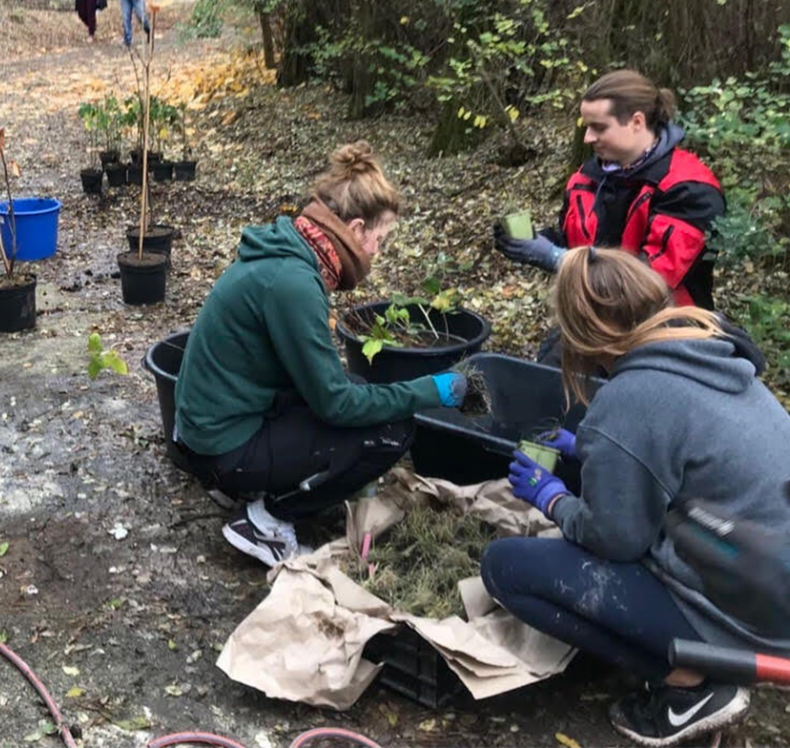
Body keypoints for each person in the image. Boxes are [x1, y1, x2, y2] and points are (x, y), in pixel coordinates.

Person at [481, 246, 790, 747]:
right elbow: (678, 452)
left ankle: (687, 688)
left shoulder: (628, 400)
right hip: (767, 571)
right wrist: (588, 449)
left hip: (757, 621)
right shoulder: (706, 345)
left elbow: (616, 540)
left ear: (581, 335)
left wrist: (553, 498)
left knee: (506, 567)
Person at [174, 141, 468, 568]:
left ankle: (248, 486)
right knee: (390, 430)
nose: (377, 253)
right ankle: (265, 522)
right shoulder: (293, 283)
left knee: (359, 388)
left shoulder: (289, 252)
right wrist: (431, 389)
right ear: (355, 227)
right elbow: (334, 404)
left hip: (210, 424)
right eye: (379, 240)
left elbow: (323, 385)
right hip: (219, 445)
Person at [495, 70, 724, 364]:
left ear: (636, 122)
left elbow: (651, 282)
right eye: (587, 126)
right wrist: (532, 243)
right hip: (592, 322)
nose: (588, 137)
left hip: (666, 330)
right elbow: (575, 240)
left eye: (598, 127)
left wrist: (555, 258)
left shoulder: (690, 189)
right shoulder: (585, 179)